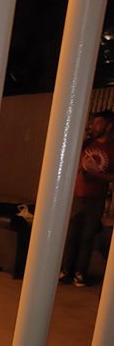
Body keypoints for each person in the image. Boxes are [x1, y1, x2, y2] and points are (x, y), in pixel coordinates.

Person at [59, 109, 114, 286]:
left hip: (96, 198)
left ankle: (80, 273)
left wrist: (95, 175)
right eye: (94, 123)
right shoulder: (87, 143)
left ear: (108, 126)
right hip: (78, 194)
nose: (94, 126)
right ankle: (65, 270)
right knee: (71, 234)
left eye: (98, 123)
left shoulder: (111, 148)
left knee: (87, 236)